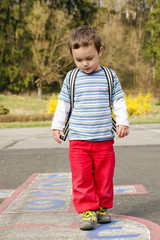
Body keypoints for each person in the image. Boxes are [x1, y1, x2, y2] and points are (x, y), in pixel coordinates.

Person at [52, 25, 129, 230]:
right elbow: (63, 104)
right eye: (78, 60)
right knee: (82, 178)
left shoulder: (109, 76)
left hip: (104, 139)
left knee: (104, 177)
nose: (84, 64)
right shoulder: (72, 77)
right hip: (78, 141)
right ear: (72, 56)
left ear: (100, 52)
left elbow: (119, 101)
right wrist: (57, 126)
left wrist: (123, 122)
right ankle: (87, 211)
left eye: (90, 58)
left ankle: (102, 207)